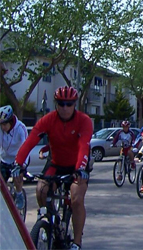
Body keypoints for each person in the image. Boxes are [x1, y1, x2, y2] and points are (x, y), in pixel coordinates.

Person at [15, 86, 92, 250]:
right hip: (55, 163)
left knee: (77, 200)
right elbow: (29, 143)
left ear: (74, 105)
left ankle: (76, 242)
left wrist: (79, 169)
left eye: (69, 104)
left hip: (77, 166)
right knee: (41, 190)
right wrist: (18, 164)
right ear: (56, 104)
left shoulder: (83, 120)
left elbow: (83, 146)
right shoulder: (48, 120)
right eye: (61, 103)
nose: (65, 108)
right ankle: (52, 222)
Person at [0, 105, 28, 210]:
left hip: (19, 158)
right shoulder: (0, 129)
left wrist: (22, 165)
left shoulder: (21, 128)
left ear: (11, 121)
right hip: (4, 158)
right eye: (1, 125)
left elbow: (26, 147)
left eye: (5, 124)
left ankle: (19, 194)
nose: (3, 127)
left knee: (17, 176)